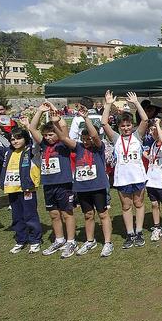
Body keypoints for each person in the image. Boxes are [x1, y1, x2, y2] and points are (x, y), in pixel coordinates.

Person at [56, 108, 113, 257]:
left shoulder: (98, 147)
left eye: (89, 138)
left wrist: (86, 118)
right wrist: (56, 123)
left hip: (98, 186)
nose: (87, 140)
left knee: (103, 214)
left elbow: (94, 135)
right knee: (88, 214)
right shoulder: (78, 147)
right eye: (84, 138)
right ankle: (90, 241)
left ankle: (108, 243)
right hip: (82, 187)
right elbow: (63, 138)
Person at [28, 102, 77, 258]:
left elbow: (63, 128)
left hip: (63, 184)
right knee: (54, 214)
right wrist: (40, 111)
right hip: (48, 184)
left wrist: (55, 114)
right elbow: (32, 128)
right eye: (46, 135)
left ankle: (71, 241)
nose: (48, 138)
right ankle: (59, 239)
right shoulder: (43, 145)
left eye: (51, 135)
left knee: (66, 213)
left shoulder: (63, 144)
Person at [101, 90, 149, 249]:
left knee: (139, 203)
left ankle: (139, 231)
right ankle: (130, 234)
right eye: (123, 126)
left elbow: (145, 119)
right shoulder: (115, 138)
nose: (126, 128)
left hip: (139, 177)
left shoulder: (137, 136)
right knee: (126, 206)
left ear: (132, 125)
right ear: (119, 127)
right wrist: (108, 105)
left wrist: (136, 103)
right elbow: (104, 123)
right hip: (122, 179)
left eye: (129, 125)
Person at [0, 123, 41, 253]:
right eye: (13, 139)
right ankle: (21, 240)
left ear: (25, 138)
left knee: (30, 215)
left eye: (18, 138)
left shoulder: (31, 151)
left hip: (27, 190)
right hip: (12, 189)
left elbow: (37, 142)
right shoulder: (7, 152)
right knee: (17, 216)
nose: (15, 141)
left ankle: (35, 240)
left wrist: (29, 126)